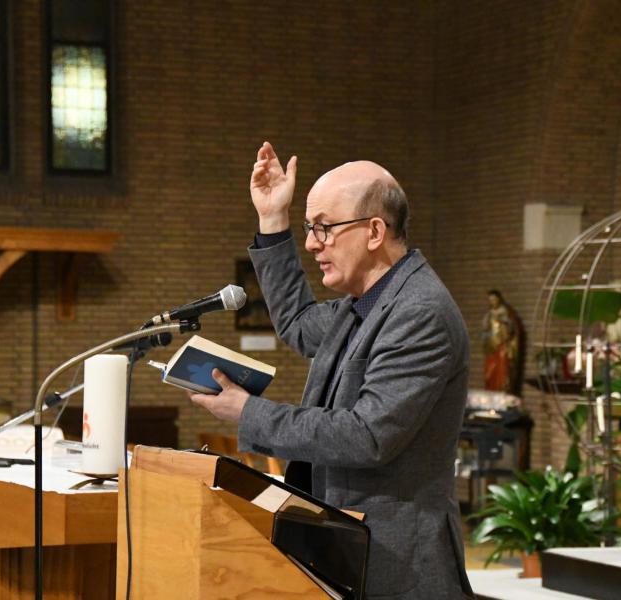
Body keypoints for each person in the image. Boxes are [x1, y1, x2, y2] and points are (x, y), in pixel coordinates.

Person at [190, 141, 474, 599]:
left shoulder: (419, 312)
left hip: (398, 566)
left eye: (324, 228)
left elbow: (368, 435)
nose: (311, 243)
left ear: (375, 231)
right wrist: (272, 219)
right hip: (348, 547)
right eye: (309, 228)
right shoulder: (362, 305)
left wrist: (249, 412)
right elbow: (298, 323)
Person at [481, 289, 522, 395]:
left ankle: (503, 392)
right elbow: (485, 330)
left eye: (494, 299)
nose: (492, 302)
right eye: (490, 300)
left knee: (503, 372)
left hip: (503, 346)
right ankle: (491, 392)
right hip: (492, 348)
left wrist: (505, 324)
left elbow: (512, 329)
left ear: (499, 299)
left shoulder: (506, 313)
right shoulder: (489, 314)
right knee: (490, 372)